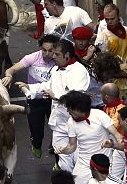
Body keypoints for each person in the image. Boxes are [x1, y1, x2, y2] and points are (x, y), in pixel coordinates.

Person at [17, 39, 90, 173]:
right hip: (58, 122)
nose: (53, 56)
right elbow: (48, 85)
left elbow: (77, 96)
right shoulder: (55, 70)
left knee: (77, 157)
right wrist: (29, 87)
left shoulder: (79, 71)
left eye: (56, 54)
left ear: (67, 55)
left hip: (75, 122)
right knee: (61, 157)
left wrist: (55, 95)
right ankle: (66, 182)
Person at [54, 90, 121, 184]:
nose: (67, 111)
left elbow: (118, 135)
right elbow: (72, 147)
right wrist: (62, 150)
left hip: (102, 164)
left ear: (76, 108)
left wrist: (112, 143)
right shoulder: (71, 122)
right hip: (83, 164)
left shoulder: (99, 115)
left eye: (69, 108)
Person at [1, 33, 58, 158]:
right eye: (44, 50)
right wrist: (9, 75)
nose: (47, 53)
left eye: (50, 51)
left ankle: (57, 151)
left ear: (56, 50)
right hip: (35, 100)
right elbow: (12, 69)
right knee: (37, 132)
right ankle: (36, 145)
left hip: (52, 100)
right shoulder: (32, 58)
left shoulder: (59, 60)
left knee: (58, 129)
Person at [95, 4, 127, 103]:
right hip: (111, 84)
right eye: (107, 19)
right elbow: (100, 64)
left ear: (118, 16)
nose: (109, 22)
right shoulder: (102, 37)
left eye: (112, 19)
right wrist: (117, 67)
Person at [100, 83, 127, 179]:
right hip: (111, 146)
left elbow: (113, 126)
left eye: (101, 95)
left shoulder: (121, 108)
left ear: (106, 97)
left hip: (121, 147)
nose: (100, 97)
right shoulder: (107, 107)